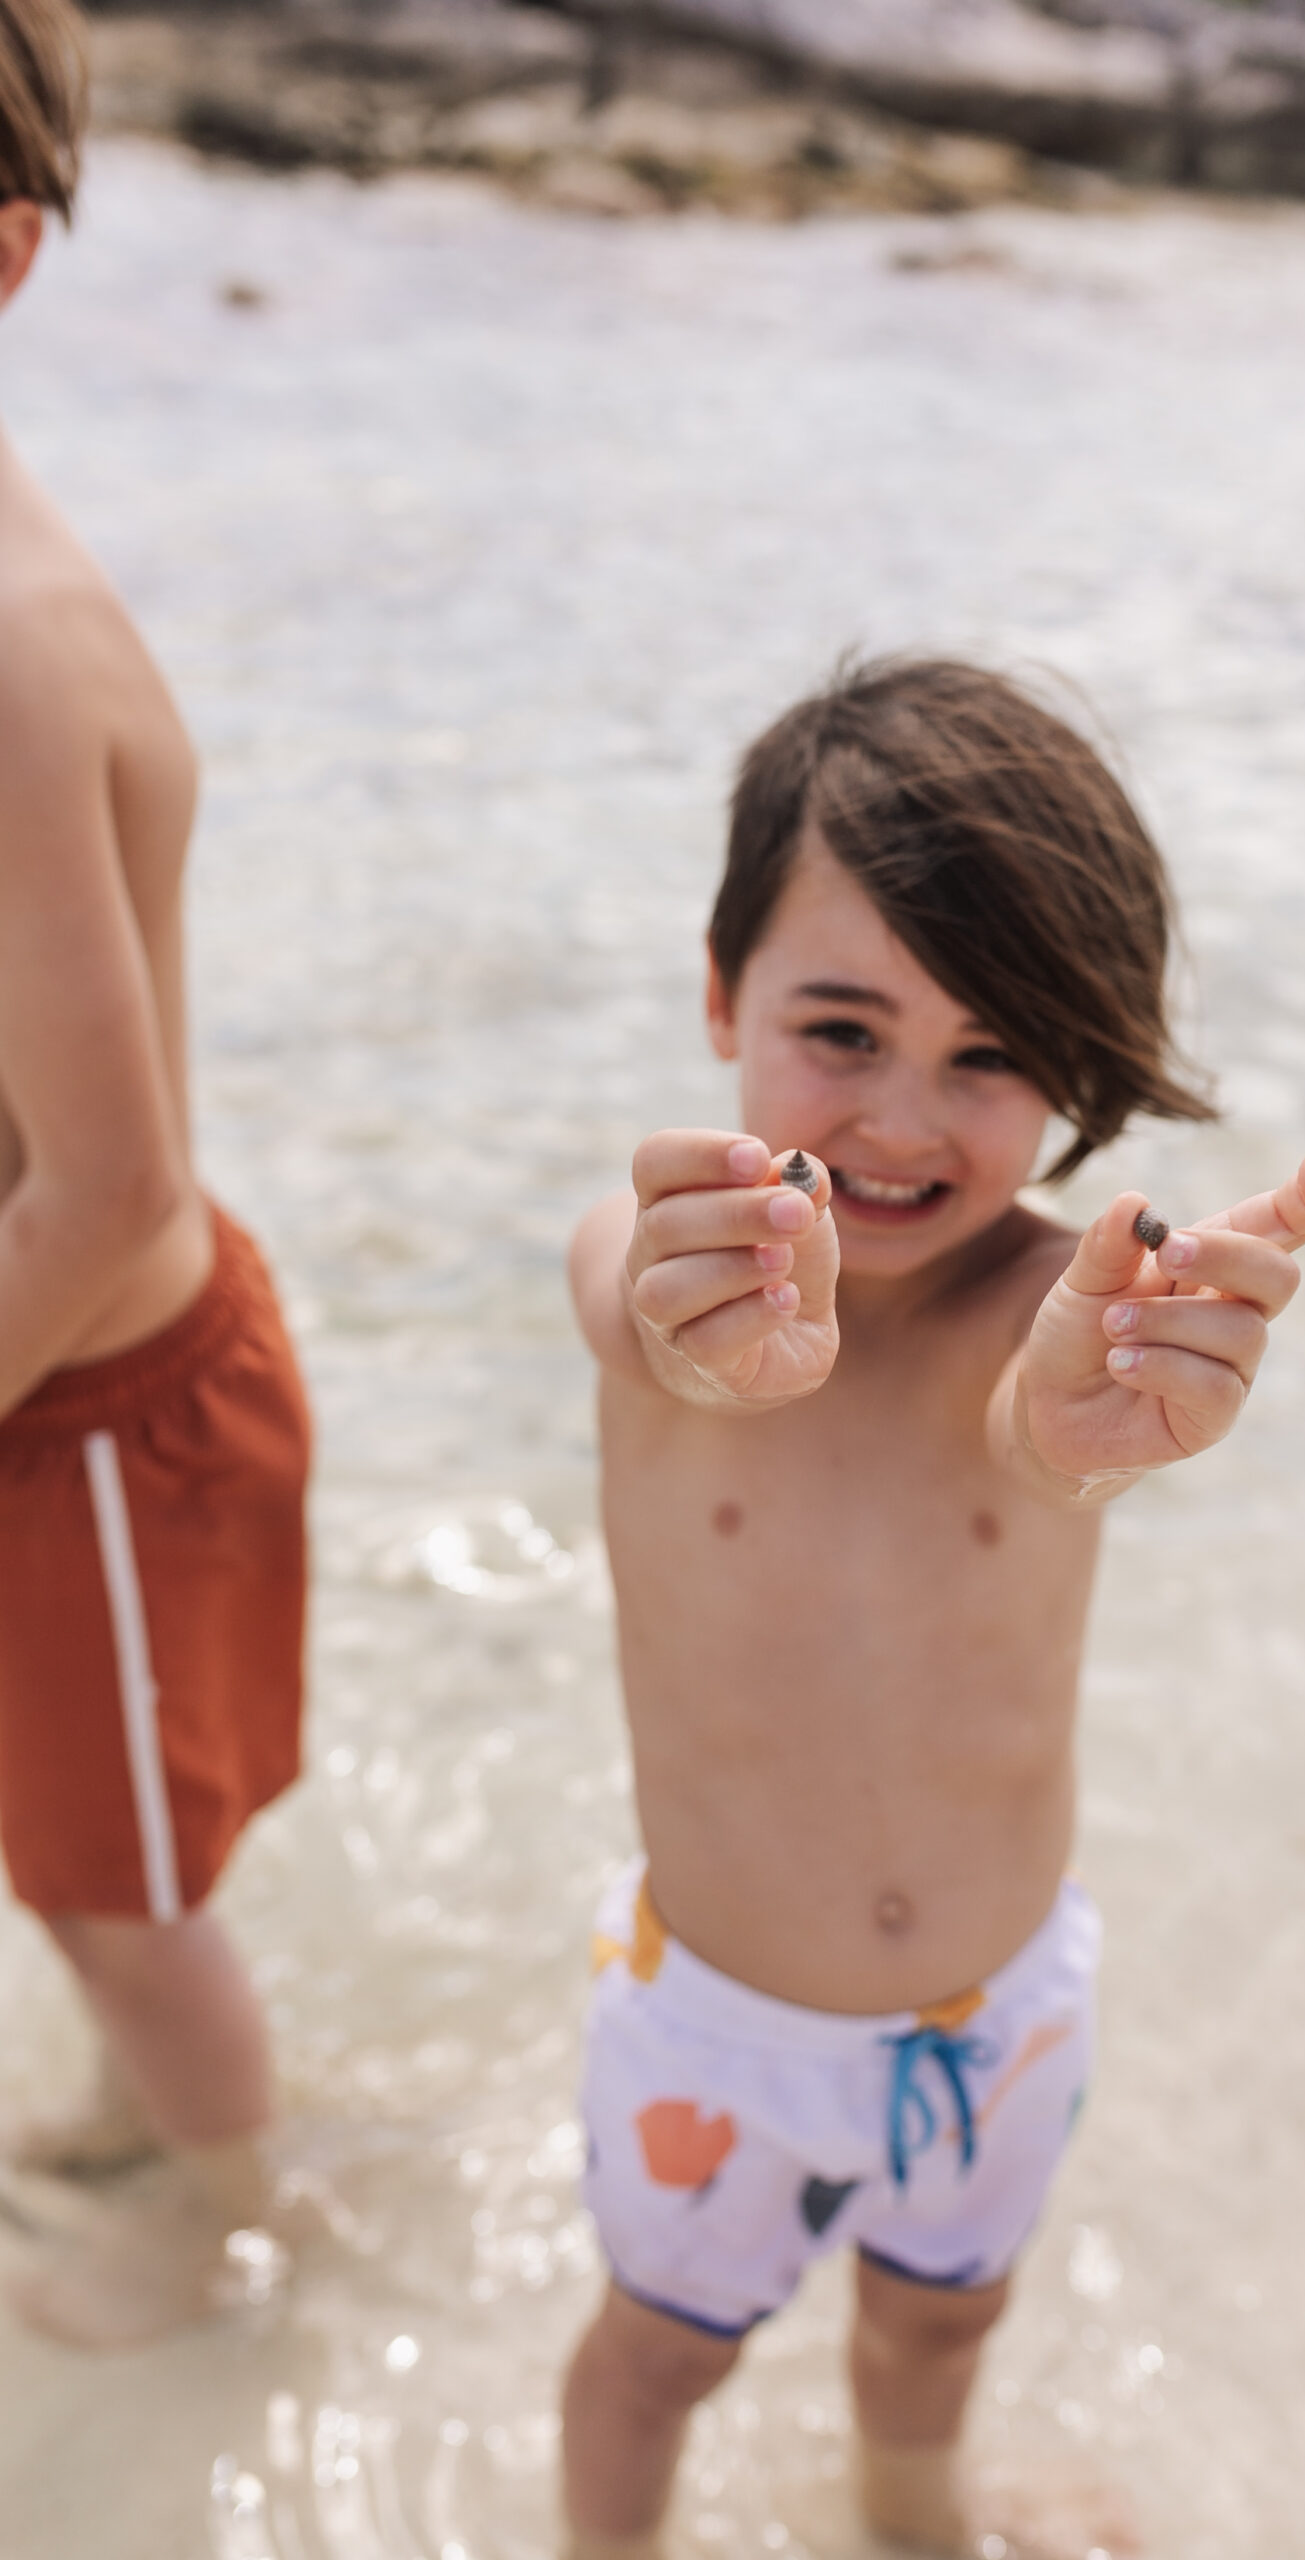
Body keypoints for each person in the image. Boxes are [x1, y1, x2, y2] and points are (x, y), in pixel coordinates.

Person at [564, 657, 1305, 2556]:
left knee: (940, 2330)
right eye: (842, 1027)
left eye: (991, 1056)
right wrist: (714, 1350)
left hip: (996, 2020)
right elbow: (640, 1321)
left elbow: (1043, 1445)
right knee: (657, 2360)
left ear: (1078, 1063)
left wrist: (1097, 1433)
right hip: (716, 2033)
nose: (908, 1119)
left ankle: (911, 2518)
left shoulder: (1056, 1310)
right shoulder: (663, 1262)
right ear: (719, 992)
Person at [0, 0, 311, 2348]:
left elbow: (105, 1190)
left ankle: (251, 2240)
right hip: (53, 1379)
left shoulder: (5, 652)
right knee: (70, 1849)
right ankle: (142, 2118)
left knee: (121, 1890)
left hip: (93, 1404)